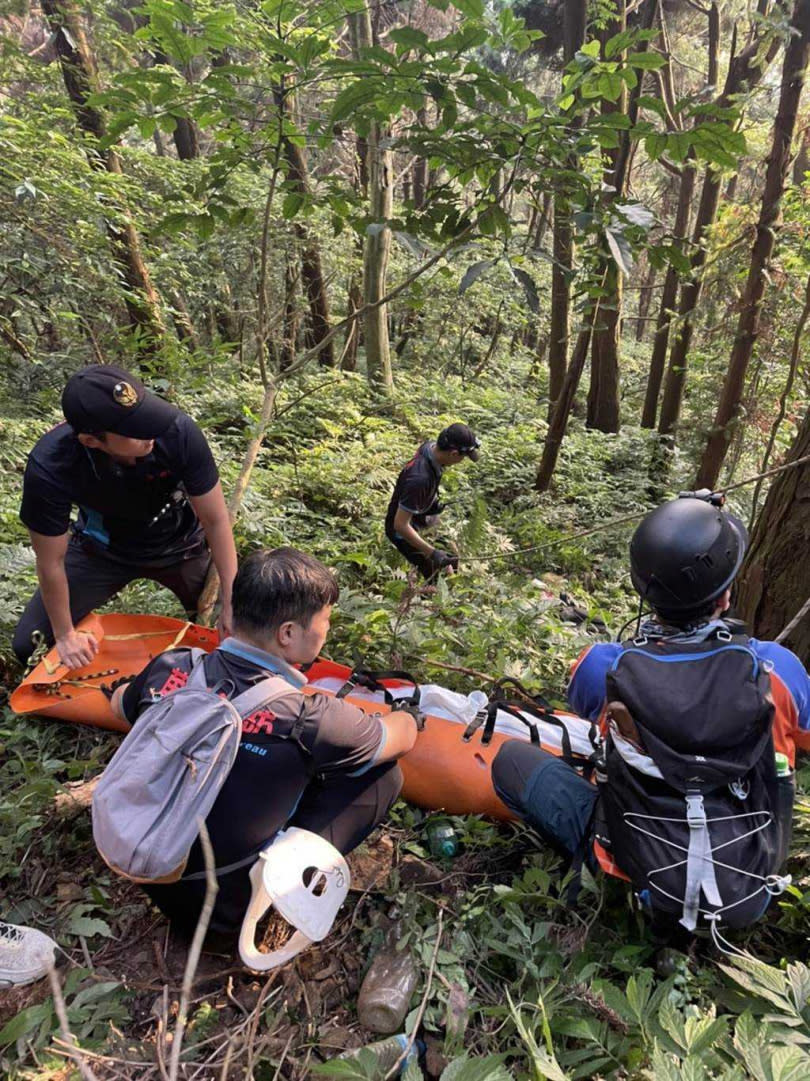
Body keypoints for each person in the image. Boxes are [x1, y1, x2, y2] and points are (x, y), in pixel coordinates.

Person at [492, 494, 810, 932]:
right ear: (725, 596)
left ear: (643, 588)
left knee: (510, 761)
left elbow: (588, 719)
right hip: (748, 887)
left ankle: (603, 867)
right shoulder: (780, 671)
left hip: (643, 869)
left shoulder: (601, 667)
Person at [109, 546, 419, 937]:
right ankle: (271, 895)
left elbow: (122, 707)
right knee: (383, 777)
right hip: (226, 916)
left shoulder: (172, 667)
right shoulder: (309, 717)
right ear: (288, 633)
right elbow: (399, 737)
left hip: (150, 866)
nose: (328, 629)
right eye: (325, 619)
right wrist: (411, 716)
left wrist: (123, 690)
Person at [14, 365, 238, 670]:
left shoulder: (176, 431)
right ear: (92, 440)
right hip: (100, 551)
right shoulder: (52, 466)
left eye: (147, 416)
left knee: (240, 632)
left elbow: (216, 521)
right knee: (31, 645)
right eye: (134, 430)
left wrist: (230, 595)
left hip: (181, 546)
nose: (150, 434)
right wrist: (65, 635)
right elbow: (51, 561)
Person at [385, 423, 480, 580]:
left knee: (452, 558)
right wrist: (432, 552)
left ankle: (451, 585)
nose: (463, 461)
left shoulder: (431, 448)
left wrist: (430, 503)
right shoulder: (419, 479)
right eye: (463, 457)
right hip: (403, 530)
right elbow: (400, 525)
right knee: (434, 573)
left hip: (422, 516)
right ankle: (428, 599)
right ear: (454, 454)